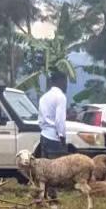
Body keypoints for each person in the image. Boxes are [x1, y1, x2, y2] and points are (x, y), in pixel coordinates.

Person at [36, 71, 69, 201]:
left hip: (44, 135)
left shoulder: (44, 97)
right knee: (57, 170)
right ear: (60, 81)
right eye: (65, 82)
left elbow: (40, 119)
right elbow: (60, 120)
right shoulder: (60, 97)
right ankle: (53, 196)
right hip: (55, 137)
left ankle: (44, 194)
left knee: (45, 170)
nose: (66, 85)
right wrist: (62, 137)